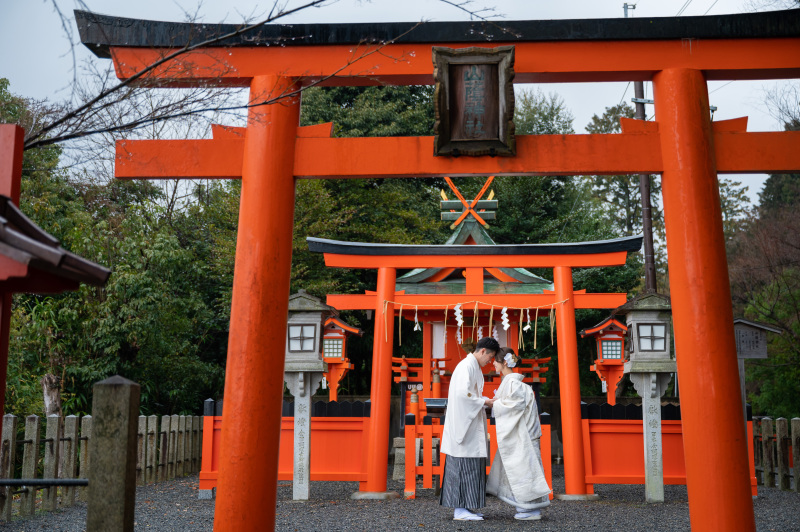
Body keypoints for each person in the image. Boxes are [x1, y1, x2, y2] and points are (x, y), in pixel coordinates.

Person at [486, 347, 551, 521]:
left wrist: (494, 404)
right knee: (519, 471)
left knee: (524, 471)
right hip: (522, 433)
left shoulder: (513, 384)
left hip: (524, 436)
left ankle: (530, 508)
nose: (493, 363)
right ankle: (525, 506)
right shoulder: (512, 383)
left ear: (504, 362)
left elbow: (513, 406)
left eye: (495, 360)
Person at [439, 336, 500, 521]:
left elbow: (467, 395)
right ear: (483, 351)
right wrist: (483, 401)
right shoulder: (466, 366)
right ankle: (459, 510)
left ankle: (465, 507)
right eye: (489, 358)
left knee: (470, 467)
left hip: (469, 423)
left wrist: (482, 400)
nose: (489, 362)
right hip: (463, 428)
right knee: (463, 466)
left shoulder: (471, 366)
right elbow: (461, 395)